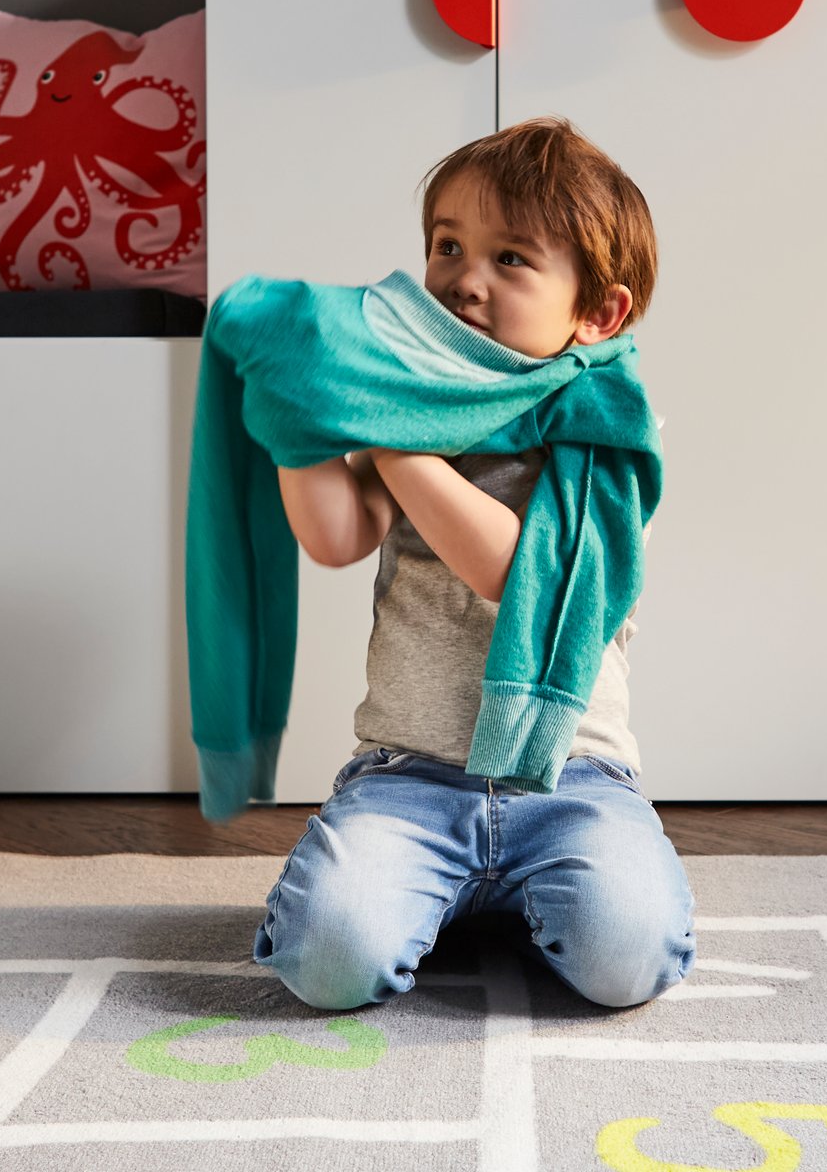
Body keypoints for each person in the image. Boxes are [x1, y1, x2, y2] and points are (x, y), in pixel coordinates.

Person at [253, 117, 696, 1010]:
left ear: (598, 313)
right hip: (408, 777)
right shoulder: (411, 411)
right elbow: (338, 538)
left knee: (625, 961)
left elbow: (520, 574)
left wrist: (392, 443)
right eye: (448, 246)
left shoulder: (613, 444)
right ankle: (438, 890)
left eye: (511, 260)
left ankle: (512, 896)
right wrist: (296, 428)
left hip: (575, 781)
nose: (465, 279)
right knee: (328, 963)